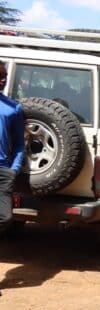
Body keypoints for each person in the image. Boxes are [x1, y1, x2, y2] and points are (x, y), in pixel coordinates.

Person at [0, 60, 25, 235]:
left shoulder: (13, 108)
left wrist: (14, 169)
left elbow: (19, 144)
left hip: (3, 171)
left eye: (5, 77)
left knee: (5, 217)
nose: (3, 80)